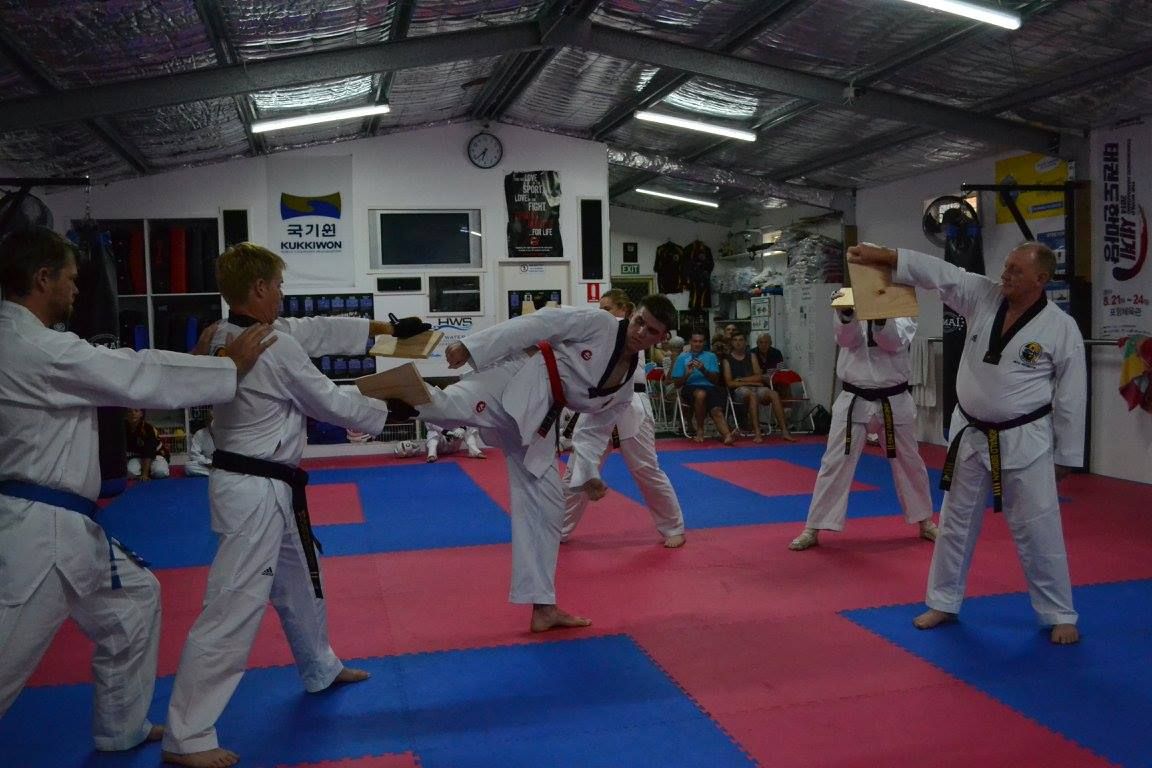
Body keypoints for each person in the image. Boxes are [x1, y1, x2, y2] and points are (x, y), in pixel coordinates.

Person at [0, 226, 273, 754]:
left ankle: (119, 729)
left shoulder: (20, 340)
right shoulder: (35, 346)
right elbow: (132, 372)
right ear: (42, 278)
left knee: (134, 602)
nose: (78, 290)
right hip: (39, 532)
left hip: (67, 522)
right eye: (71, 279)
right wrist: (225, 366)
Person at [161, 243, 427, 768]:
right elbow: (325, 398)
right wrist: (393, 407)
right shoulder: (270, 347)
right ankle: (186, 735)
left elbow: (318, 331)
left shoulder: (227, 333)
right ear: (259, 289)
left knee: (300, 582)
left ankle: (319, 667)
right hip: (253, 492)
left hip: (263, 487)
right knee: (232, 608)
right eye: (279, 285)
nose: (283, 294)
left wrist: (384, 331)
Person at [367, 294, 676, 633]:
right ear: (633, 314)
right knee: (448, 405)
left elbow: (594, 431)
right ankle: (363, 402)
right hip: (518, 376)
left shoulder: (624, 389)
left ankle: (543, 606)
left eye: (651, 331)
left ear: (662, 339)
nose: (640, 331)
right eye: (639, 321)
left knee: (548, 505)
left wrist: (588, 473)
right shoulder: (601, 324)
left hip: (541, 418)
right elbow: (541, 323)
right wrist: (473, 346)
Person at [848, 241, 1085, 645]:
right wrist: (889, 257)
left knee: (1039, 528)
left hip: (1025, 439)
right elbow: (943, 274)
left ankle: (1059, 612)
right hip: (971, 434)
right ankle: (943, 601)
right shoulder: (983, 296)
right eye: (1006, 266)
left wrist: (1067, 455)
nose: (1005, 275)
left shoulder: (1061, 328)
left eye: (1016, 271)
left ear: (1042, 279)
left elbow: (1071, 396)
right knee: (955, 523)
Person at [789, 302, 937, 551]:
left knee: (910, 462)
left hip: (894, 399)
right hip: (853, 398)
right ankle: (813, 526)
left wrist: (879, 316)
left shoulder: (903, 302)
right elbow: (846, 339)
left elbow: (893, 342)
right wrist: (847, 314)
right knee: (834, 463)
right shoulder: (850, 297)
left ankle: (925, 521)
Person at [561, 290, 686, 548]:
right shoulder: (604, 332)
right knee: (577, 472)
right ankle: (557, 529)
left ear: (624, 308)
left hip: (631, 405)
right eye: (600, 308)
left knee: (646, 470)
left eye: (607, 307)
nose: (602, 313)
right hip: (598, 406)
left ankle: (674, 527)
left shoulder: (633, 332)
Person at [722, 331, 795, 443]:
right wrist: (753, 382)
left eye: (741, 340)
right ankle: (757, 432)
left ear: (745, 342)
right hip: (739, 391)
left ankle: (784, 430)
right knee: (752, 395)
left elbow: (759, 376)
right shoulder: (727, 360)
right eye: (735, 340)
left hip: (754, 387)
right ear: (731, 343)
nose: (738, 343)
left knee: (774, 394)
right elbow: (730, 383)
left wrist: (742, 379)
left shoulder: (751, 356)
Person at [671, 331, 736, 444]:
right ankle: (700, 430)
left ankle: (727, 435)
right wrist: (687, 374)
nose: (697, 344)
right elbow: (677, 384)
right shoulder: (682, 358)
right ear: (690, 342)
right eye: (695, 341)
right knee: (701, 394)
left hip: (710, 388)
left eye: (700, 341)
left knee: (716, 409)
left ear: (704, 343)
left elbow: (715, 380)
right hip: (690, 388)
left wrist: (703, 370)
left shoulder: (711, 356)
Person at [124, 408, 171, 480]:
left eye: (136, 411)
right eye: (129, 411)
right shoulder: (123, 428)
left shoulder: (148, 428)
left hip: (156, 455)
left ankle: (151, 469)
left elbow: (149, 451)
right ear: (126, 414)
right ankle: (147, 469)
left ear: (141, 414)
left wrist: (144, 474)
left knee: (159, 473)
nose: (133, 414)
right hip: (137, 457)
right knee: (130, 473)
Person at [184, 409, 215, 477]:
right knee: (188, 467)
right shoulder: (199, 434)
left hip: (222, 464)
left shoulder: (226, 433)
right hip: (207, 464)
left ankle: (217, 472)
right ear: (207, 422)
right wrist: (208, 462)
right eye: (211, 420)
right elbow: (194, 454)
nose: (213, 423)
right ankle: (217, 473)